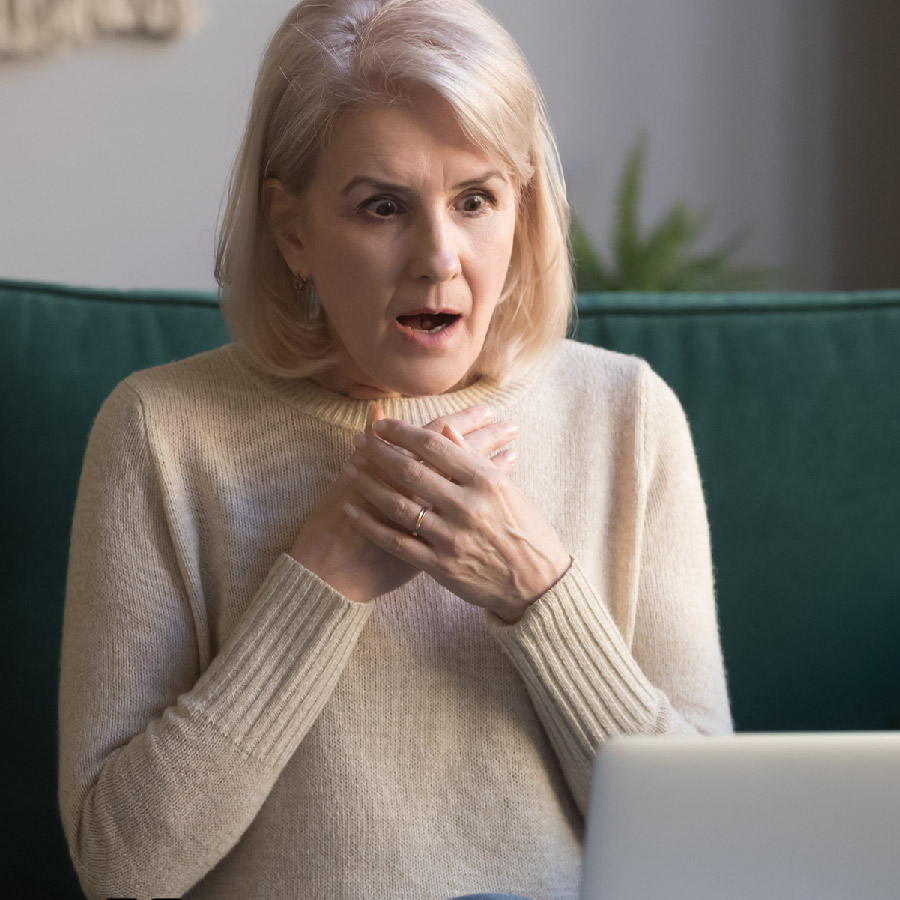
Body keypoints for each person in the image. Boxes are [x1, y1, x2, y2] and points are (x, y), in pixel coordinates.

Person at [58, 0, 732, 897]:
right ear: (292, 231)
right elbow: (121, 866)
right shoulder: (159, 433)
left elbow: (714, 848)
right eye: (383, 207)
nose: (439, 258)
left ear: (522, 208)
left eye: (477, 199)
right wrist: (318, 583)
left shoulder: (629, 415)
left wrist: (537, 591)